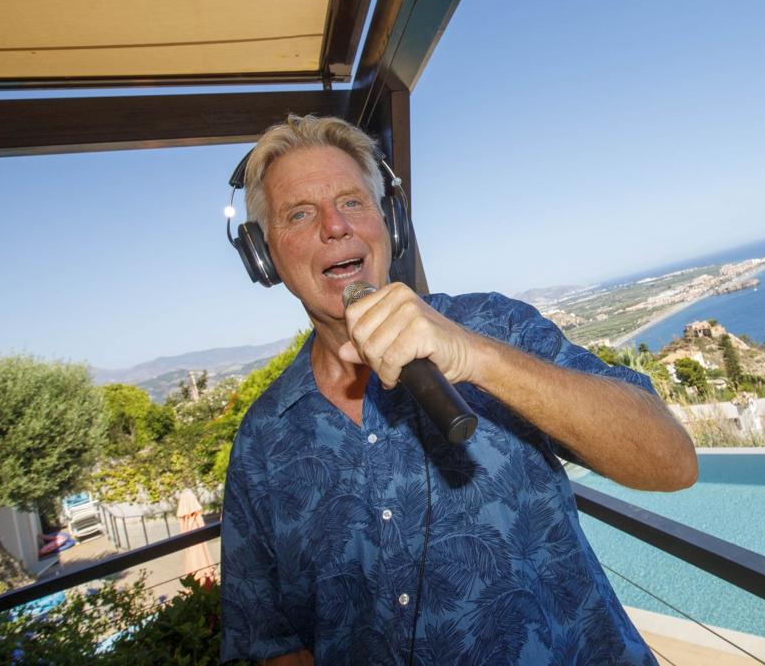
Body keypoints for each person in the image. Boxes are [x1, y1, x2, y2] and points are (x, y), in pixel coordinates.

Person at [221, 115, 697, 666]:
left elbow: (672, 462)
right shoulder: (263, 440)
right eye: (299, 214)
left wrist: (478, 357)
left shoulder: (496, 325)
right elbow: (274, 644)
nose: (334, 225)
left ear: (389, 221)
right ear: (264, 256)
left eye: (353, 202)